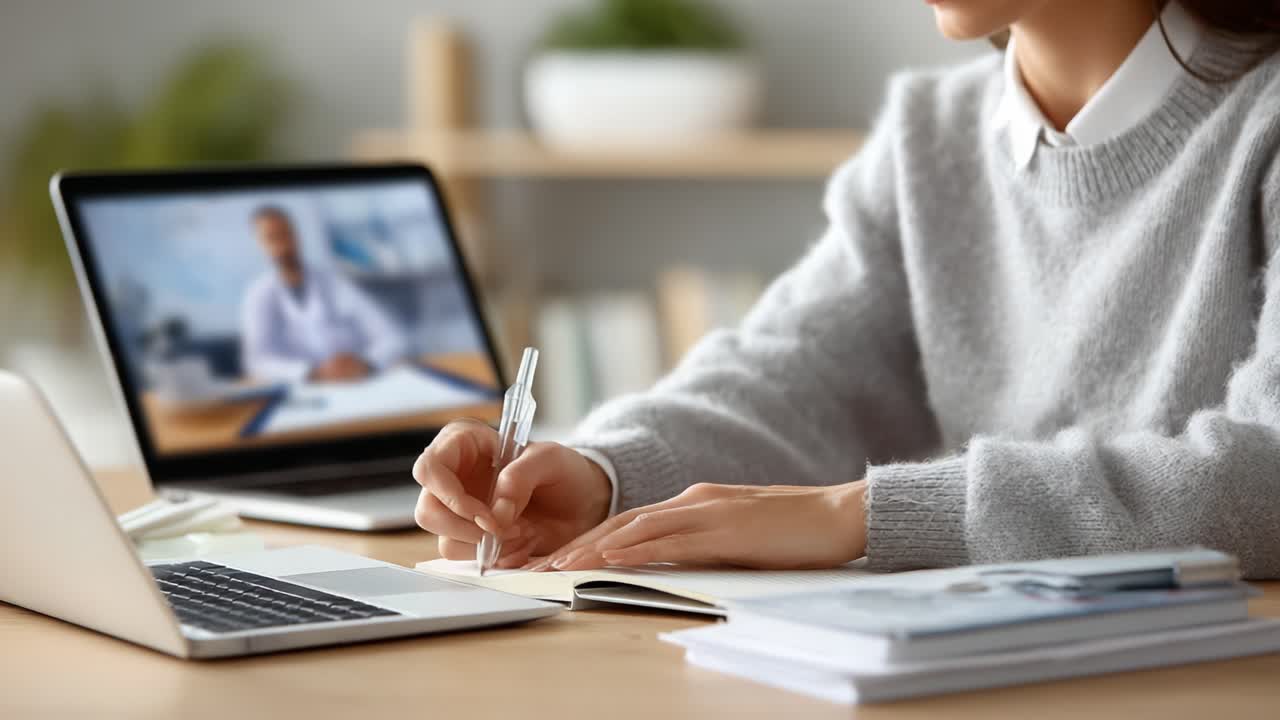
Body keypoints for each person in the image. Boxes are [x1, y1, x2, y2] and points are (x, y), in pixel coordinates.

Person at [413, 0, 1280, 578]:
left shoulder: (1263, 120)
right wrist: (602, 473)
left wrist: (865, 513)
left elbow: (1268, 469)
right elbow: (795, 374)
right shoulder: (930, 136)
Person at [241, 206, 406, 384]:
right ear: (260, 243)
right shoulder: (258, 296)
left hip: (359, 381)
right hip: (302, 390)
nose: (283, 245)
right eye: (272, 238)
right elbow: (257, 362)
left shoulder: (335, 283)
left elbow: (391, 336)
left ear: (297, 235)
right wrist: (312, 372)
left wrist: (366, 362)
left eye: (286, 234)